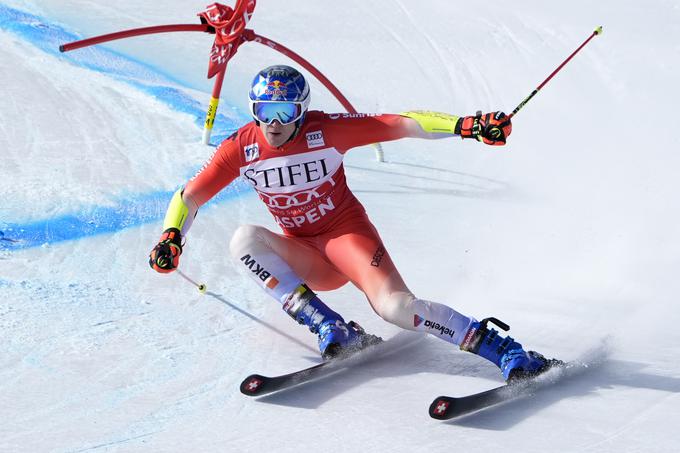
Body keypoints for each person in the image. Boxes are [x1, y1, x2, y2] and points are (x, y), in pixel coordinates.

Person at [149, 65, 557, 381]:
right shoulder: (241, 148)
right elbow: (189, 197)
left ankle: (506, 351)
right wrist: (171, 238)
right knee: (244, 238)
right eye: (263, 111)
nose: (273, 122)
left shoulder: (325, 131)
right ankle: (332, 328)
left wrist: (464, 126)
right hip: (305, 254)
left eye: (284, 111)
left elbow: (401, 123)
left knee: (397, 309)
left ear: (300, 110)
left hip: (348, 240)